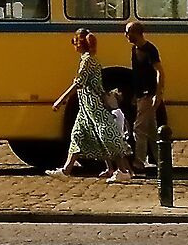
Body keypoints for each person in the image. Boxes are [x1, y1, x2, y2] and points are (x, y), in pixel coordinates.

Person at [49, 28, 130, 183]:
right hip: (85, 106)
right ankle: (66, 170)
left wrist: (61, 99)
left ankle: (124, 171)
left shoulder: (87, 61)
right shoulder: (88, 59)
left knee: (106, 136)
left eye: (74, 41)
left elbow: (78, 83)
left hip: (93, 105)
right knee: (77, 135)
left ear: (79, 43)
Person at [122, 19, 163, 173]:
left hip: (148, 94)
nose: (125, 35)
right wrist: (134, 94)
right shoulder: (134, 50)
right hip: (140, 95)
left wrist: (157, 94)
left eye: (128, 32)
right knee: (152, 131)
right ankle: (162, 161)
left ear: (136, 33)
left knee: (138, 128)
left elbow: (160, 72)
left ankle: (139, 162)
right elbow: (136, 75)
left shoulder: (150, 50)